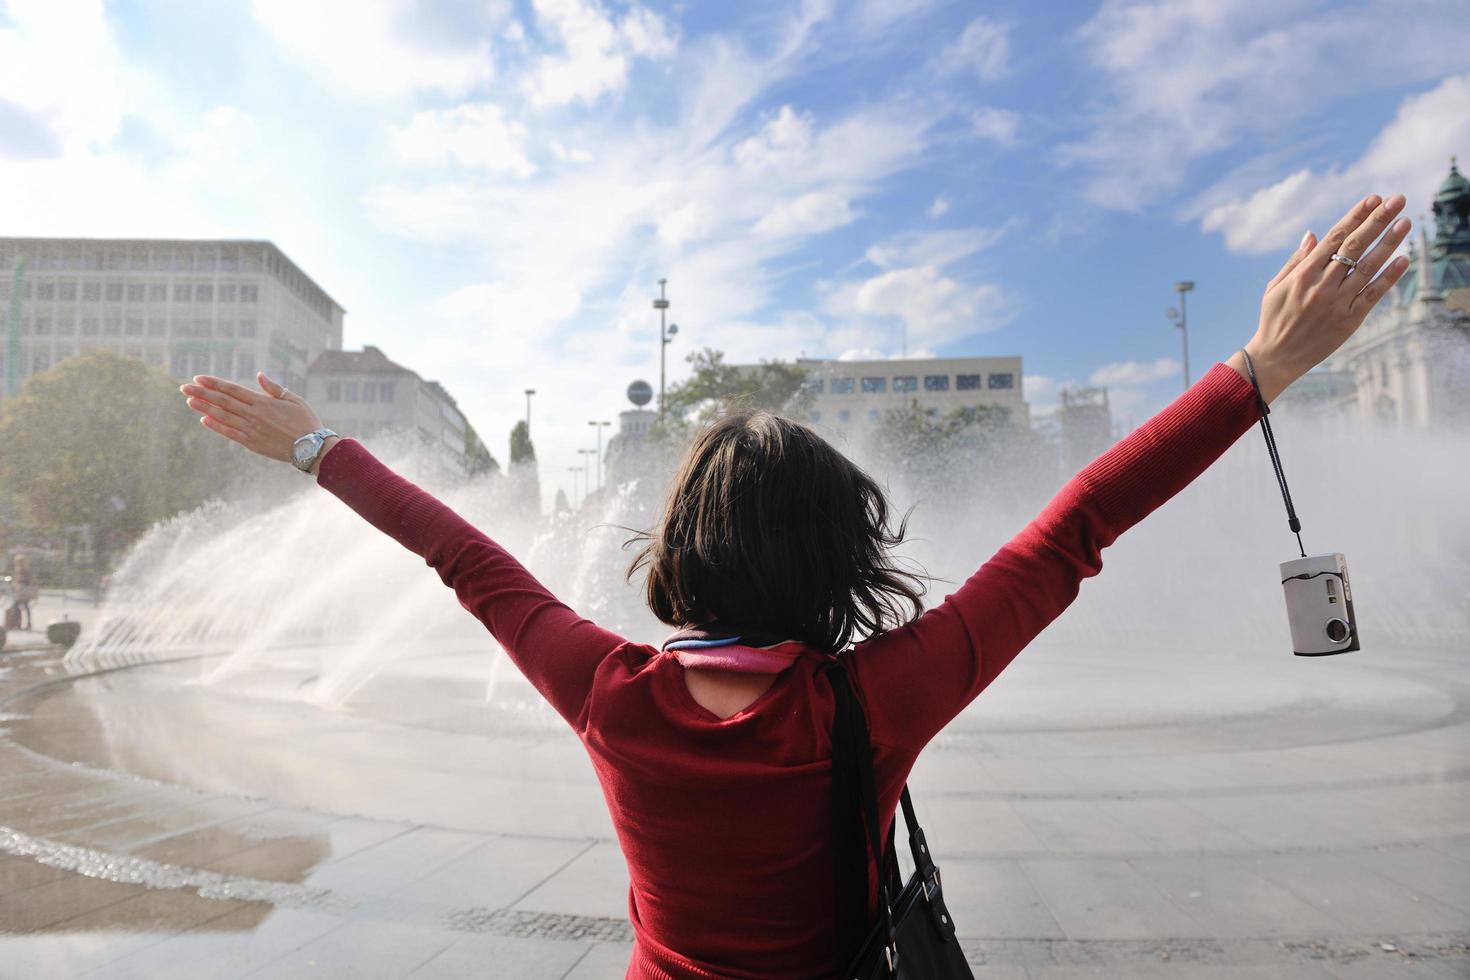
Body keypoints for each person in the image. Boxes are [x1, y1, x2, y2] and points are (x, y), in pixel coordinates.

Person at [180, 194, 1411, 979]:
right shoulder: (873, 701)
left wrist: (312, 447)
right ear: (841, 558)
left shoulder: (610, 693)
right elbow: (1076, 525)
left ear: (678, 551)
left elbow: (461, 555)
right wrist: (1258, 367)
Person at [10, 554, 34, 631]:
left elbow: (28, 581)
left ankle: (18, 624)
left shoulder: (24, 570)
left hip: (23, 591)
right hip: (20, 591)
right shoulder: (18, 569)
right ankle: (22, 623)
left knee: (15, 607)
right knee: (23, 607)